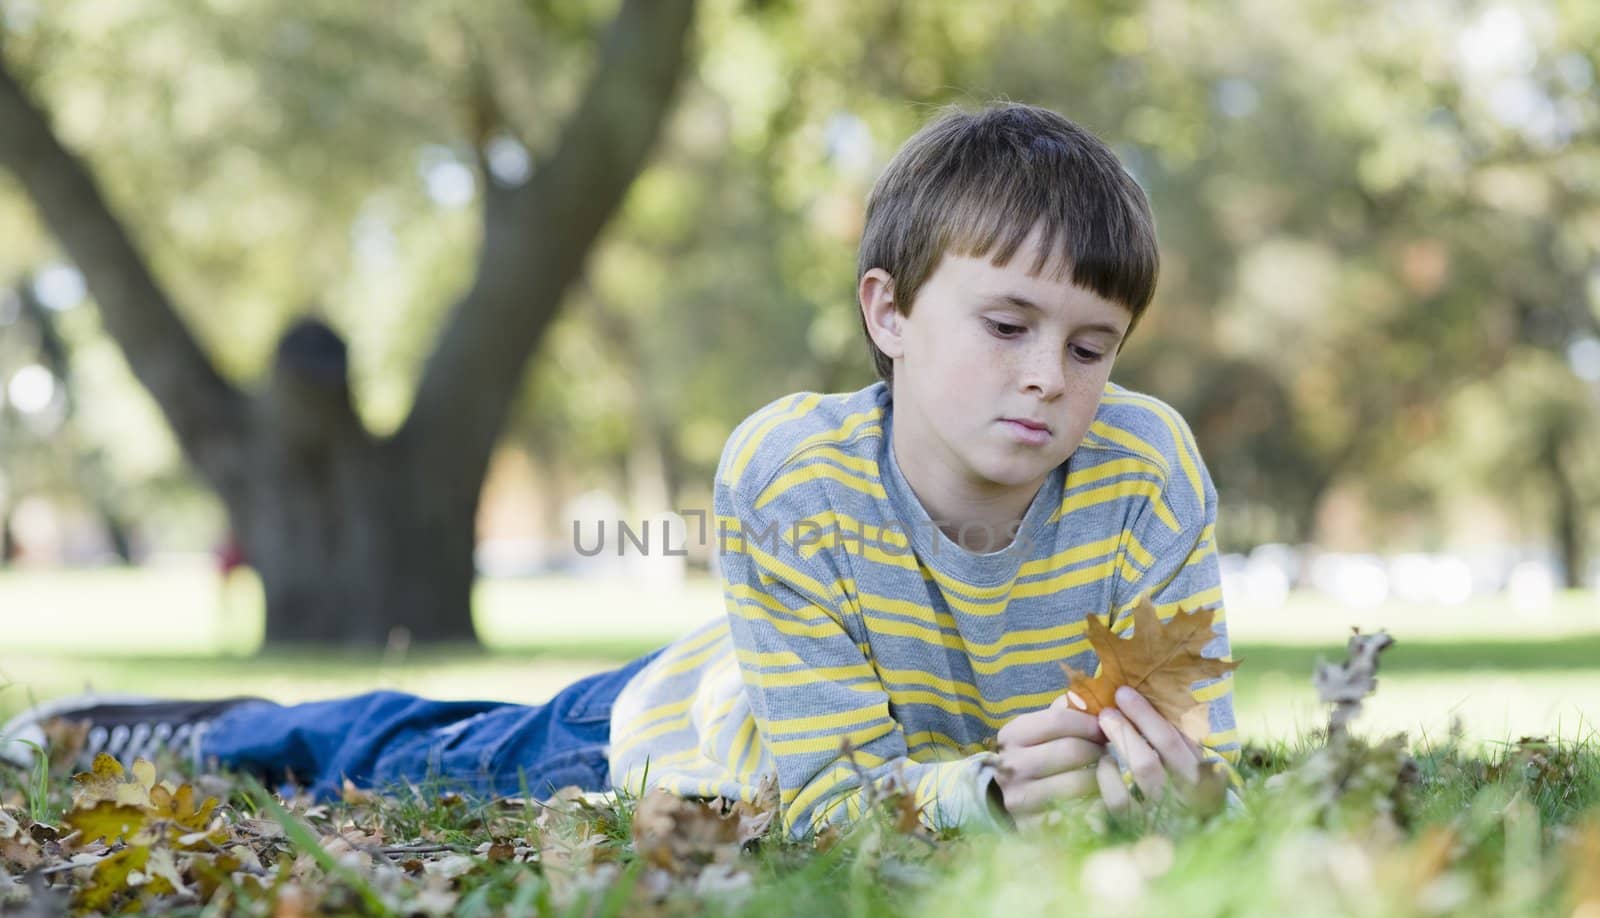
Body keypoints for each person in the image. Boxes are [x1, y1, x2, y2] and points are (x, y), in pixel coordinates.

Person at [0, 102, 1240, 838]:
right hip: (687, 736)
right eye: (1007, 325)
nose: (1050, 377)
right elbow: (824, 803)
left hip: (910, 745)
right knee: (416, 751)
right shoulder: (792, 473)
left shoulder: (1145, 468)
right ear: (891, 311)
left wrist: (1174, 790)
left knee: (432, 731)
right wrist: (994, 798)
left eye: (1091, 346)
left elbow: (1199, 745)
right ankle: (198, 733)